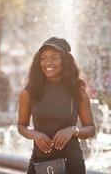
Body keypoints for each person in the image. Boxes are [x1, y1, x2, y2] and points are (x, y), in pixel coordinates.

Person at [17, 37, 96, 174]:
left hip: (72, 162)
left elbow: (91, 129)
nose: (47, 62)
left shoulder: (78, 91)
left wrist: (73, 130)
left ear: (65, 61)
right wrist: (34, 134)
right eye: (43, 58)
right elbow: (21, 126)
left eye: (54, 58)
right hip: (40, 161)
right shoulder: (29, 92)